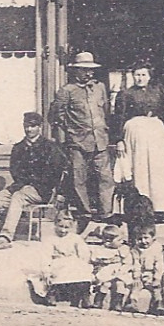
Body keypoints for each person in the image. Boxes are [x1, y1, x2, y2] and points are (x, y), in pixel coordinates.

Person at [0, 111, 70, 249]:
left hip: (41, 190)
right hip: (19, 186)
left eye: (33, 126)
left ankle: (6, 237)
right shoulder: (18, 148)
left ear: (40, 127)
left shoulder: (50, 147)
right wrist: (23, 183)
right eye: (26, 126)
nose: (29, 129)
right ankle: (0, 228)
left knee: (18, 198)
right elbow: (14, 171)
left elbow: (56, 172)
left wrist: (40, 185)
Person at [50, 51, 113, 220]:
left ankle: (106, 214)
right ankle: (85, 214)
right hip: (77, 143)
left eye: (91, 70)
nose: (89, 73)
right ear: (76, 71)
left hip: (100, 141)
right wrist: (70, 133)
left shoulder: (99, 88)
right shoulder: (67, 91)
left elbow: (105, 111)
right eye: (84, 70)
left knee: (105, 178)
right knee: (79, 179)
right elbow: (57, 115)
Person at [111, 61, 164, 215]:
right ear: (133, 76)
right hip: (135, 131)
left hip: (155, 130)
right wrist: (119, 140)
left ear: (149, 76)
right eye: (137, 75)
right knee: (138, 165)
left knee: (157, 167)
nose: (140, 78)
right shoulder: (126, 94)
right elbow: (118, 118)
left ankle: (160, 206)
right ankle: (138, 204)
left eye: (143, 75)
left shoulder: (158, 90)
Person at [30, 212, 94, 307]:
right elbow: (45, 256)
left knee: (82, 270)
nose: (63, 230)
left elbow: (83, 254)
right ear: (55, 224)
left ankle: (84, 296)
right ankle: (52, 294)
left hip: (73, 262)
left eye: (66, 227)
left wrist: (83, 264)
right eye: (60, 226)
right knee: (60, 270)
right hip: (58, 262)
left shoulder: (75, 238)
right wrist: (46, 271)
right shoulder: (50, 239)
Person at [88, 223, 134, 312]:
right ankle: (98, 301)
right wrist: (104, 262)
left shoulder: (123, 249)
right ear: (108, 241)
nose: (122, 241)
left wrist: (121, 270)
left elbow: (128, 262)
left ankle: (118, 303)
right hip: (106, 272)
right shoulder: (101, 250)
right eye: (119, 240)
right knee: (105, 284)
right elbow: (94, 259)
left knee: (120, 284)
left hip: (119, 273)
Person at [128, 222, 164, 315]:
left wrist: (157, 278)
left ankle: (158, 303)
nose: (143, 241)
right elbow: (135, 264)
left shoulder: (157, 249)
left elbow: (159, 264)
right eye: (139, 239)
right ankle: (133, 302)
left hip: (152, 274)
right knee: (135, 286)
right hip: (141, 274)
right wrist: (137, 276)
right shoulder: (135, 250)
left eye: (146, 238)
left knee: (156, 287)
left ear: (153, 238)